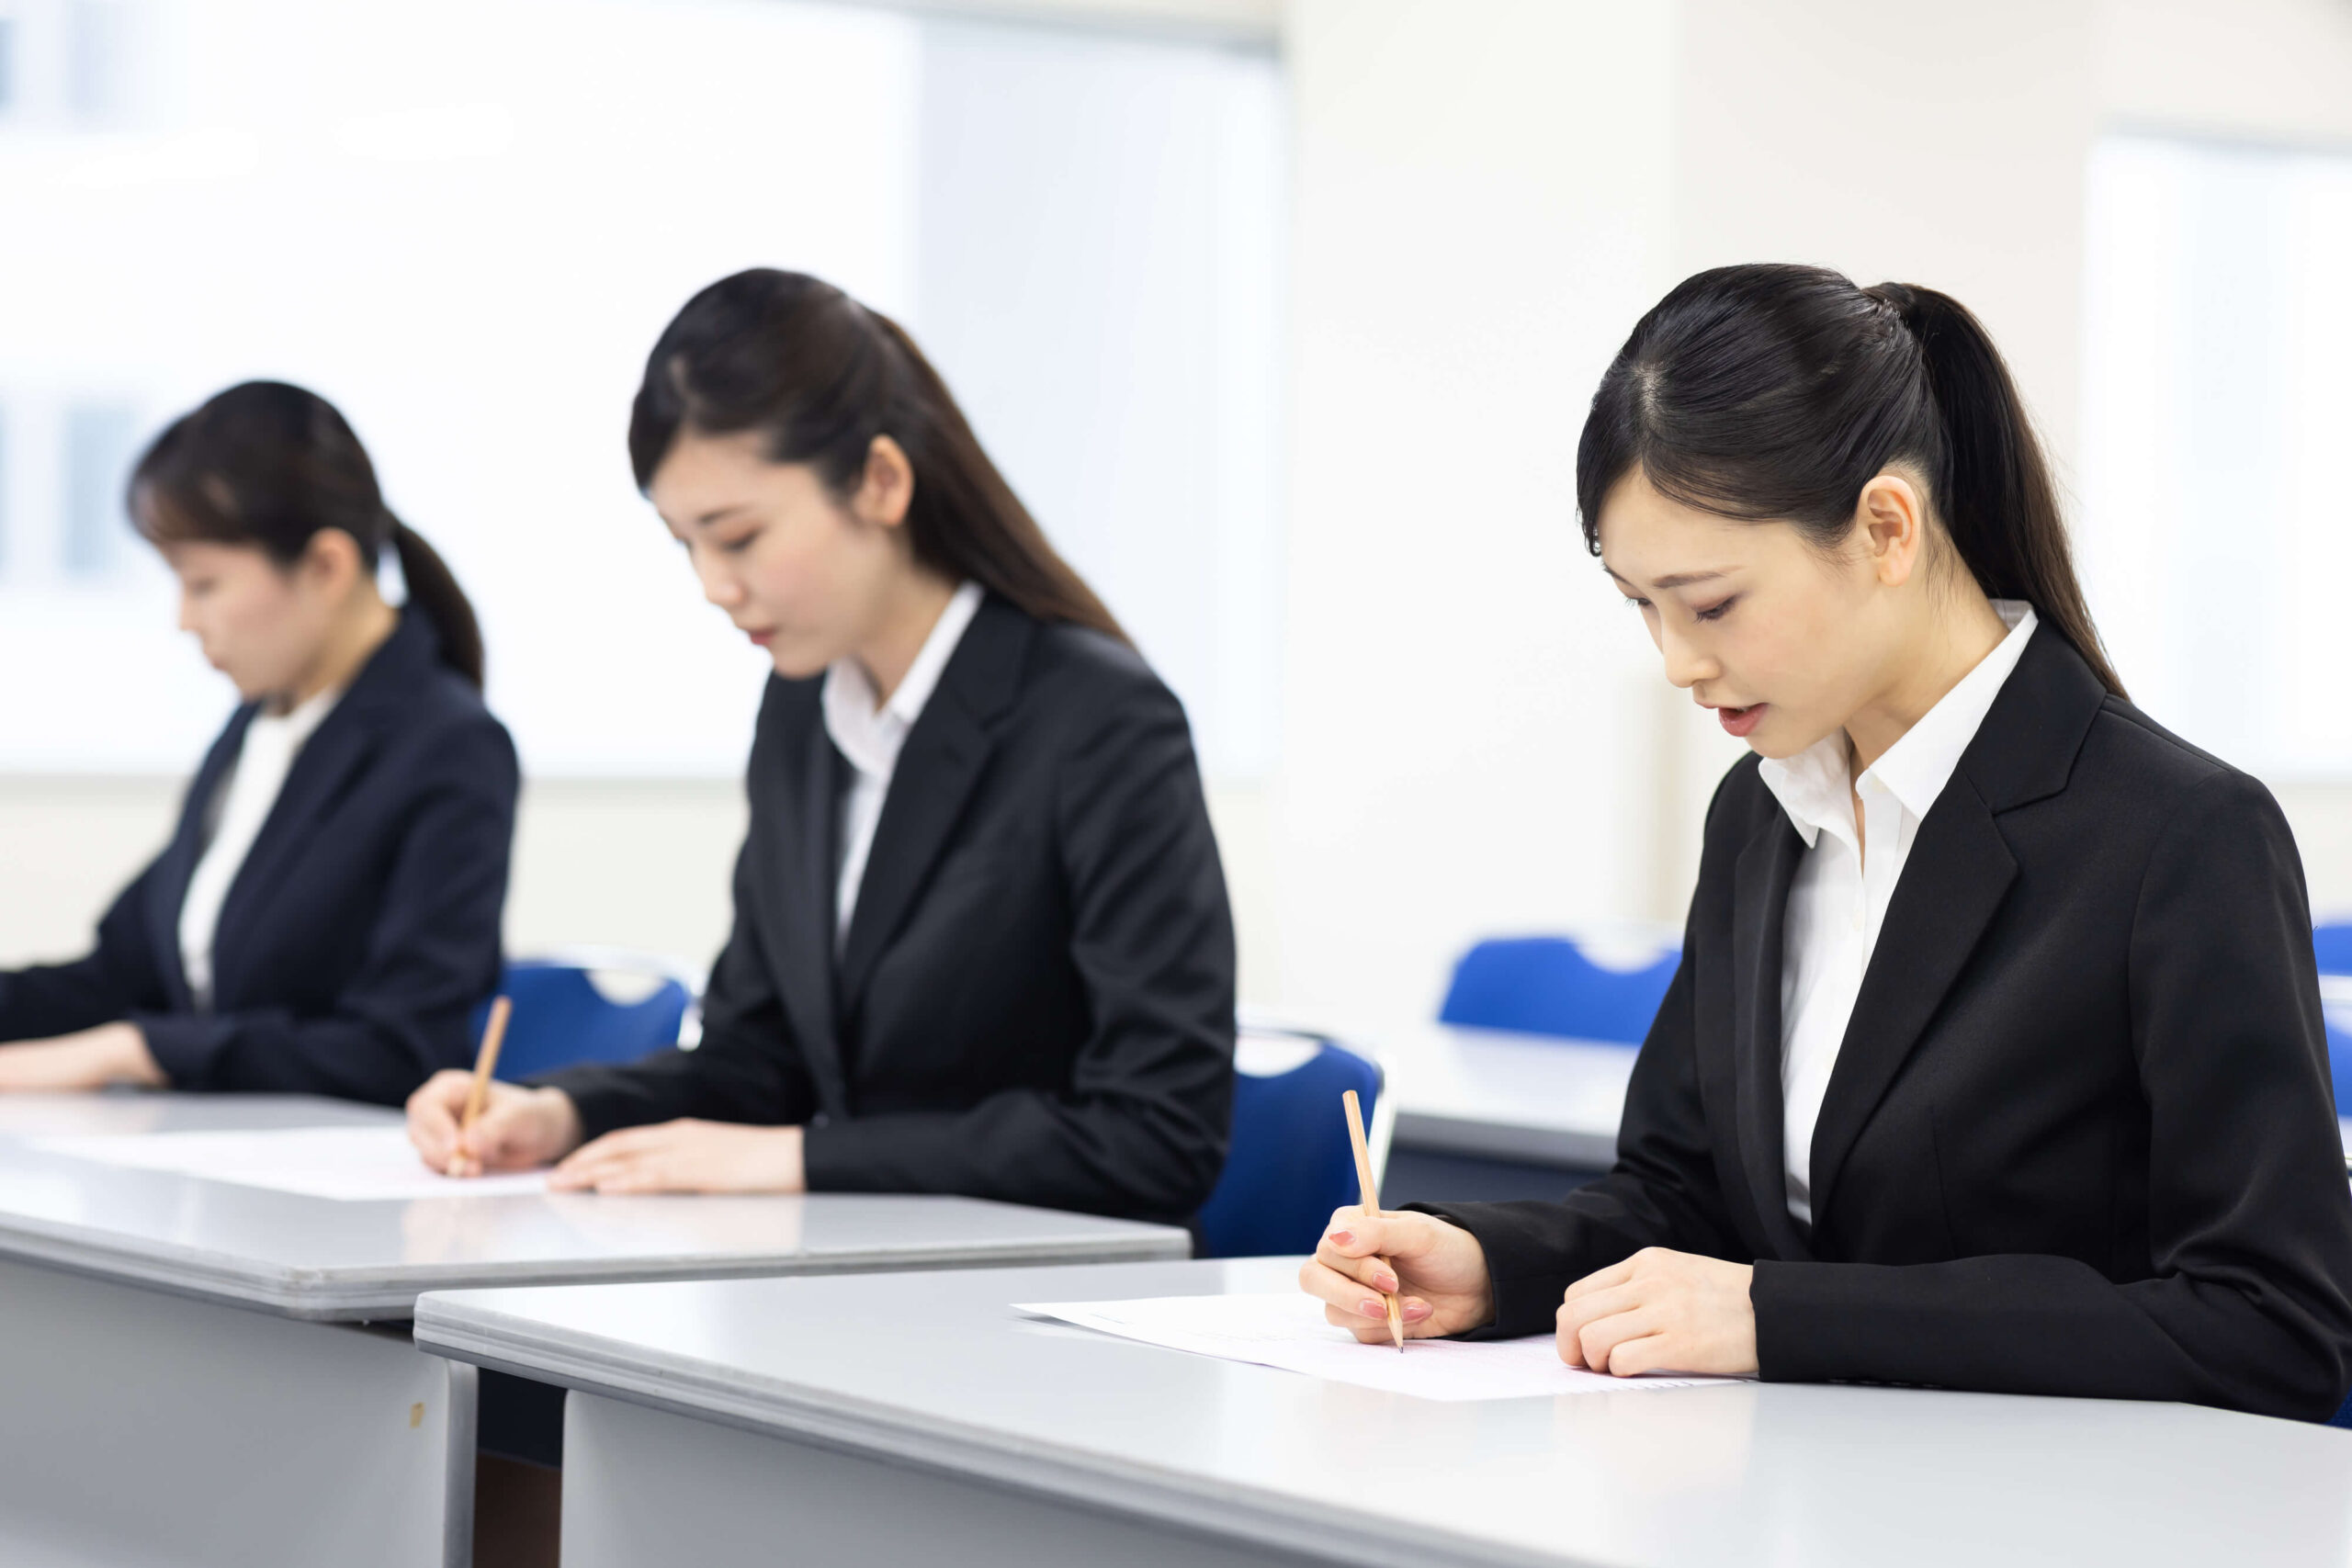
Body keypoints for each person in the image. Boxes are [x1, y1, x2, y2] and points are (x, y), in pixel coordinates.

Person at [1302, 264, 2352, 1419]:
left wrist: (1777, 1318)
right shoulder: (1761, 813)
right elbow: (1686, 1198)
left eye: (1709, 604)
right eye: (1639, 606)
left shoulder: (2180, 837)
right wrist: (1494, 1263)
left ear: (1886, 528)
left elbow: (2273, 1328)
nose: (1677, 662)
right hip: (1788, 1487)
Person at [408, 269, 1235, 1224]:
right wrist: (560, 1114)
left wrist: (802, 1160)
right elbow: (755, 1060)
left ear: (881, 482)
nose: (715, 587)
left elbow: (1156, 1137)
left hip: (1035, 1307)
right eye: (686, 545)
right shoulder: (804, 708)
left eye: (739, 536)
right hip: (846, 1274)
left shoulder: (1096, 720)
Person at [0, 381, 517, 1105]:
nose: (185, 619)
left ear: (327, 568)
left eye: (205, 583)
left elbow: (403, 1047)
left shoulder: (451, 747)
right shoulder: (259, 726)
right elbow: (125, 972)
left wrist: (142, 1049)